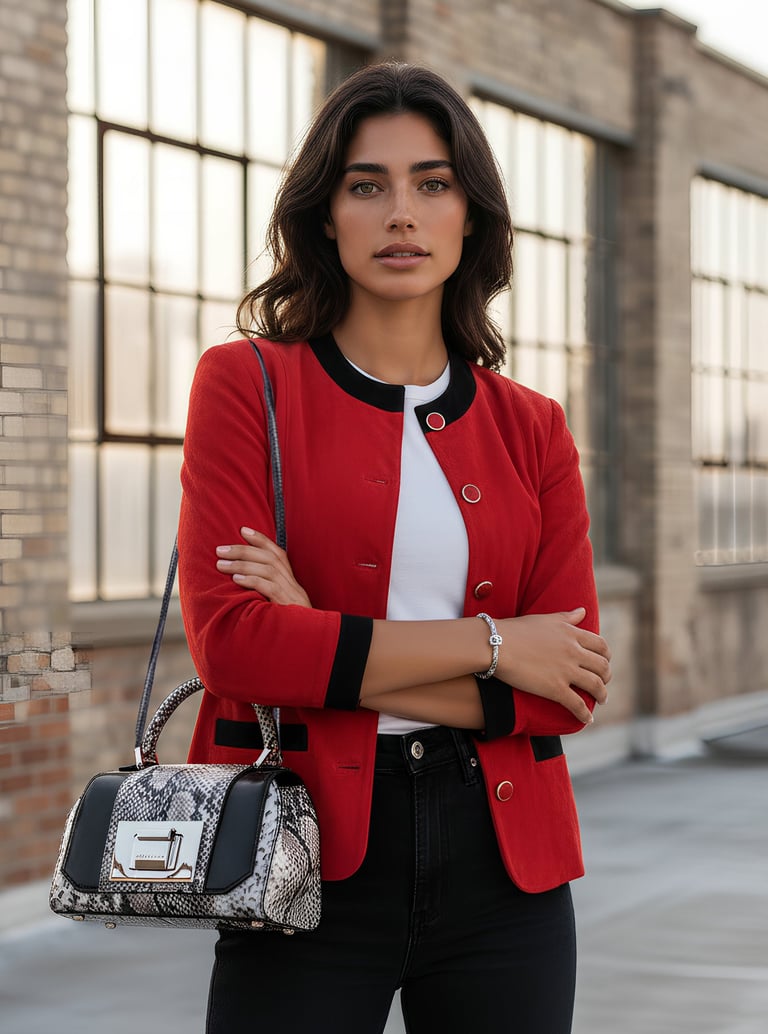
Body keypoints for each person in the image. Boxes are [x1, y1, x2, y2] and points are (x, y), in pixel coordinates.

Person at [178, 61, 611, 1034]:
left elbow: (568, 688)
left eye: (432, 182)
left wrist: (318, 636)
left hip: (507, 864)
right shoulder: (247, 385)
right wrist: (495, 642)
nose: (400, 212)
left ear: (473, 219)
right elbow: (237, 650)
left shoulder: (532, 426)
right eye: (366, 185)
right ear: (325, 216)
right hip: (300, 851)